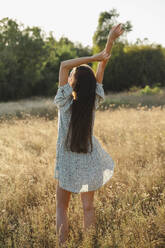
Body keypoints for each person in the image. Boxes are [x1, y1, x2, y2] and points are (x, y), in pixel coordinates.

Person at [53, 23, 124, 246]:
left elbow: (64, 64)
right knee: (88, 208)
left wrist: (93, 57)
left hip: (66, 161)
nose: (70, 73)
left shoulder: (63, 102)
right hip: (88, 159)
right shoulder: (92, 100)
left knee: (61, 208)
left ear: (72, 81)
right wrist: (109, 41)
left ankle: (63, 245)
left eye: (73, 74)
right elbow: (102, 67)